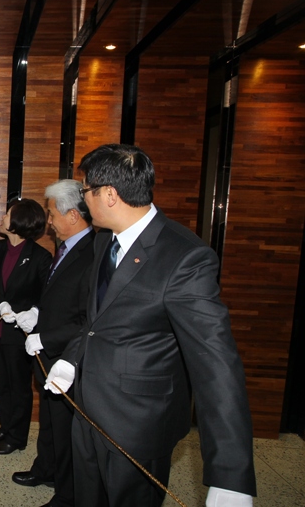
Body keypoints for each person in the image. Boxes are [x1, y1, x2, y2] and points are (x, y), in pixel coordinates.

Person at [46, 144, 256, 507]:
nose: (83, 202)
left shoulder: (184, 257)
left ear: (109, 195)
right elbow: (98, 319)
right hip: (87, 412)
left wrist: (230, 475)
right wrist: (71, 358)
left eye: (86, 191)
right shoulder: (103, 241)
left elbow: (216, 364)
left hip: (138, 426)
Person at [11, 180, 95, 507]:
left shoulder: (92, 253)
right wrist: (36, 312)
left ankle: (67, 494)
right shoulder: (65, 247)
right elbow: (56, 296)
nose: (48, 221)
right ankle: (45, 469)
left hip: (68, 358)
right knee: (49, 420)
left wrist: (46, 337)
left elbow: (89, 319)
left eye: (51, 214)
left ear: (72, 215)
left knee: (66, 429)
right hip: (47, 354)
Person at [0, 198, 52, 454]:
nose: (3, 217)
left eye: (8, 214)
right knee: (3, 382)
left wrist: (33, 312)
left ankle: (17, 437)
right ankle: (6, 426)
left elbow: (47, 295)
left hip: (19, 332)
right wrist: (1, 304)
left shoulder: (41, 257)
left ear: (19, 222)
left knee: (19, 385)